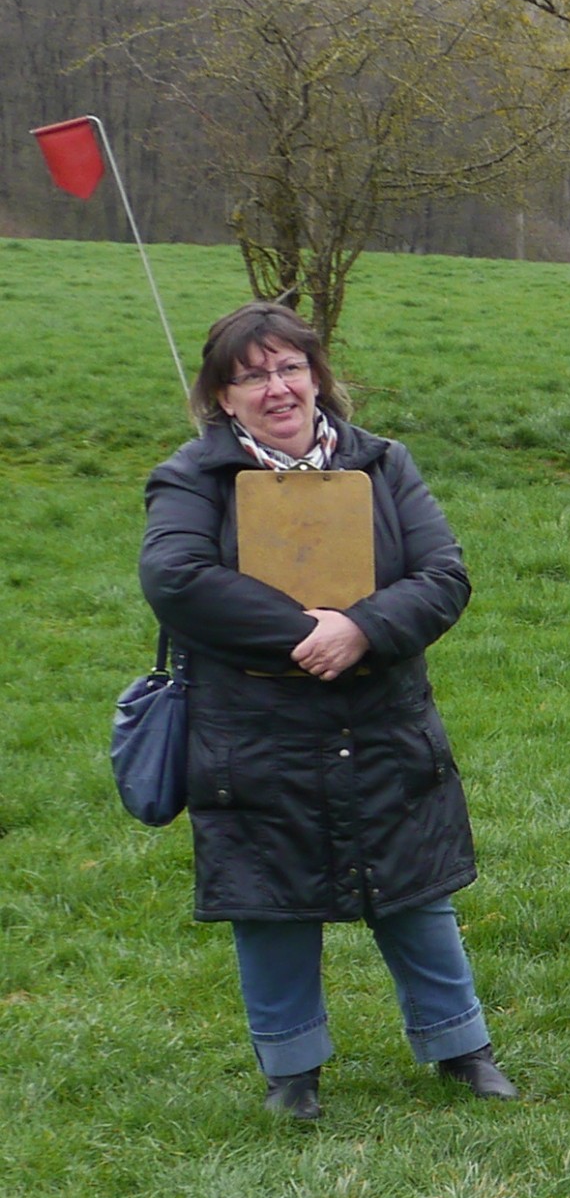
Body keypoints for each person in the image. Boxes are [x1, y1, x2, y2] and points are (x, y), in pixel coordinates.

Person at [139, 301, 515, 1121]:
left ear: (316, 376)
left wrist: (363, 630)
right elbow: (176, 578)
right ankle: (292, 1071)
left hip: (382, 720)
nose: (276, 388)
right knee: (269, 901)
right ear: (222, 396)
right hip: (253, 735)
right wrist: (307, 634)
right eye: (252, 376)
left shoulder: (383, 464)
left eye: (289, 368)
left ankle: (462, 1048)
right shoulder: (191, 477)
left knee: (414, 892)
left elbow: (443, 575)